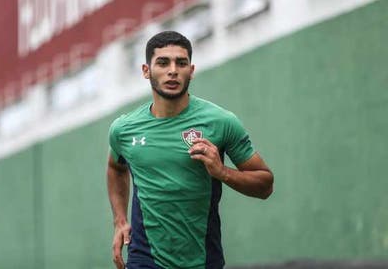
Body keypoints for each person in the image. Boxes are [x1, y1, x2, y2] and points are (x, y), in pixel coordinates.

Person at [106, 31, 273, 269]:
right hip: (144, 260)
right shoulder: (123, 129)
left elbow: (265, 184)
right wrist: (120, 221)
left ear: (191, 71)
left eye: (181, 63)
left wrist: (222, 172)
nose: (172, 70)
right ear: (146, 71)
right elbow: (115, 167)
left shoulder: (221, 122)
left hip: (202, 261)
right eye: (163, 63)